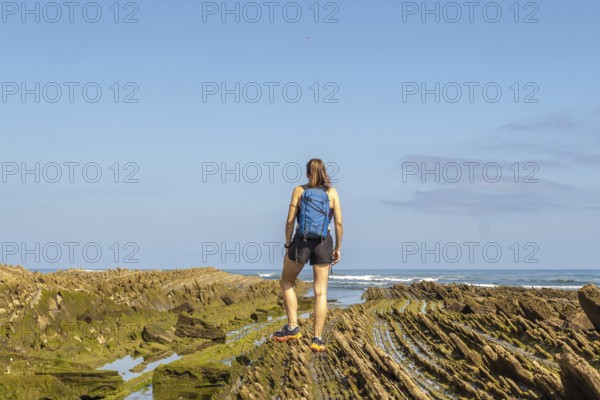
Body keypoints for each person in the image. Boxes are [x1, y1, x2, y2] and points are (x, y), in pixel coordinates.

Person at [272, 158, 343, 352]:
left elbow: (289, 221)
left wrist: (288, 245)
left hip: (301, 242)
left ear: (306, 173)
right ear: (324, 173)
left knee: (287, 282)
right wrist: (337, 248)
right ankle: (317, 339)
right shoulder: (332, 193)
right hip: (323, 243)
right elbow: (338, 224)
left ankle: (293, 327)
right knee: (320, 292)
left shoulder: (299, 191)